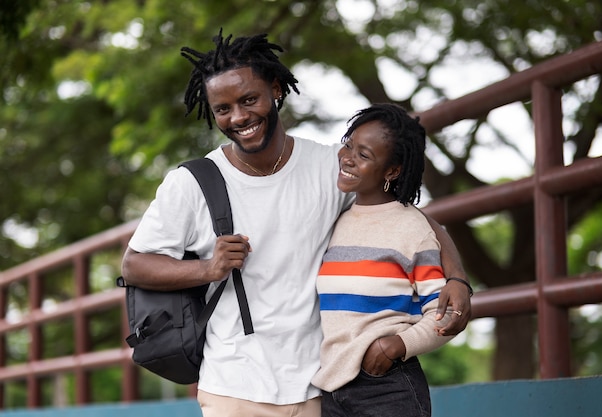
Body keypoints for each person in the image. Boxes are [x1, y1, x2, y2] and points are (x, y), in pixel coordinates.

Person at [121, 30, 472, 417]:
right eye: (222, 109)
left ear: (276, 90)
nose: (238, 117)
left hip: (319, 388)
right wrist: (208, 268)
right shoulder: (191, 183)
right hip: (234, 386)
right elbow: (134, 264)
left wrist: (457, 278)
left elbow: (410, 220)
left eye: (249, 99)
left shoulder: (328, 167)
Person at [313, 103, 457, 417]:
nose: (348, 158)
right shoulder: (336, 221)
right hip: (331, 388)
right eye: (349, 145)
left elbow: (444, 314)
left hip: (386, 387)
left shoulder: (411, 228)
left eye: (364, 155)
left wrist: (396, 346)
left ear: (392, 171)